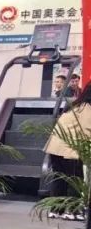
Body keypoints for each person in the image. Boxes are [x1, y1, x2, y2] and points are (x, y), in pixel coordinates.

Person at [45, 81, 90, 213]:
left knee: (60, 179)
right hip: (68, 149)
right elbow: (88, 132)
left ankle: (56, 210)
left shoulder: (76, 105)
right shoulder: (87, 109)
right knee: (75, 180)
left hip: (55, 147)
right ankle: (73, 211)